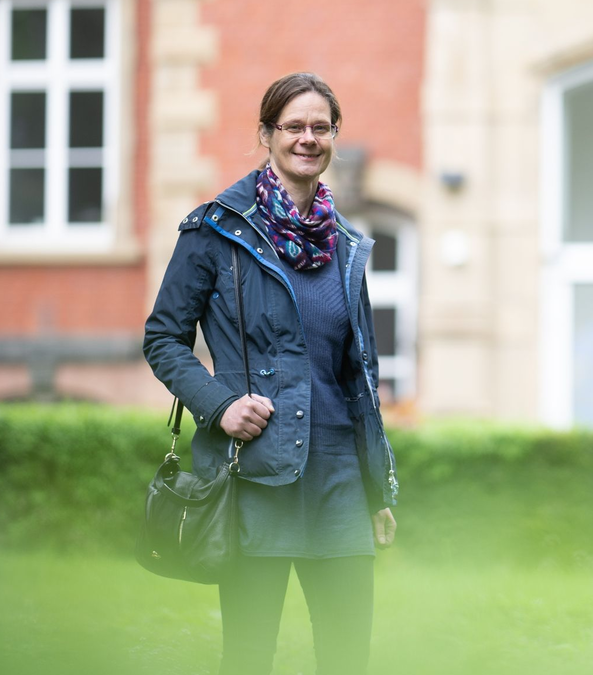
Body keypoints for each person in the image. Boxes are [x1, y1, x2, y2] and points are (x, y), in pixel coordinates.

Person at [143, 72, 398, 675]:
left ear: (335, 136)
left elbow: (358, 377)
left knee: (347, 658)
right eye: (293, 126)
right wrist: (220, 403)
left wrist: (376, 489)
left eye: (321, 127)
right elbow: (163, 338)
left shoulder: (349, 248)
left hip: (338, 484)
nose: (308, 138)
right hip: (253, 478)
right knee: (249, 656)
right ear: (266, 135)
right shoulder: (214, 231)